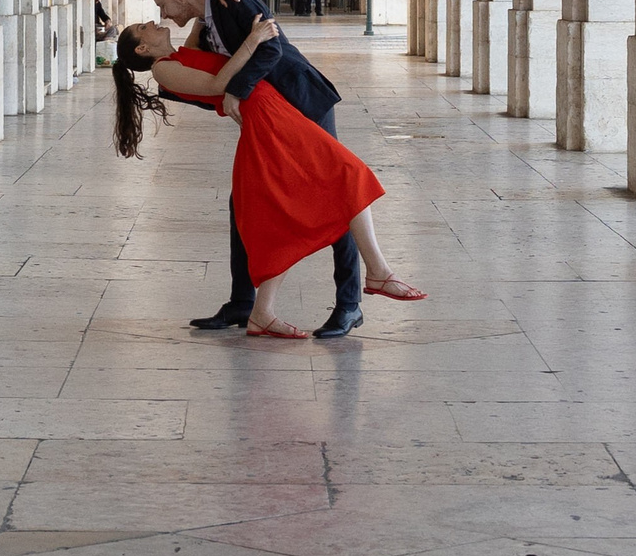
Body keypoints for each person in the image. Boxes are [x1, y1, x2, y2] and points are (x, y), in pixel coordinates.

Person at [110, 18, 425, 337]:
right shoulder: (164, 70)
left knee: (288, 212)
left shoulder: (179, 54)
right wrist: (255, 37)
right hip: (265, 119)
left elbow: (199, 25)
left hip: (272, 111)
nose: (152, 21)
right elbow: (217, 85)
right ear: (142, 47)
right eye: (143, 27)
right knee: (349, 173)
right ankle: (378, 272)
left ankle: (263, 312)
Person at [144, 0, 365, 336]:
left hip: (301, 99)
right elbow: (196, 61)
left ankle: (349, 303)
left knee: (334, 192)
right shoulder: (209, 10)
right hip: (269, 116)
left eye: (163, 4)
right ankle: (243, 303)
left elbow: (272, 47)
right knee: (242, 204)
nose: (162, 14)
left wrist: (236, 91)